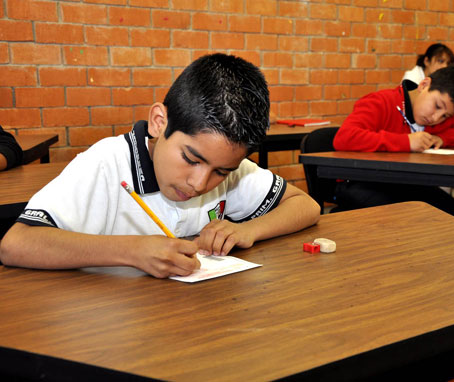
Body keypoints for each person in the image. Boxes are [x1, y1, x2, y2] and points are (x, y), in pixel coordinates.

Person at [0, 53, 320, 278]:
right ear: (158, 122)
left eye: (221, 172)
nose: (200, 182)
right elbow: (16, 245)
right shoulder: (104, 164)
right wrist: (133, 251)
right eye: (190, 159)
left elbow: (305, 205)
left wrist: (248, 229)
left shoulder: (227, 168)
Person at [333, 64, 454, 221]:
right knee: (414, 220)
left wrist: (444, 139)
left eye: (445, 116)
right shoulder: (381, 101)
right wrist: (406, 142)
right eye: (437, 106)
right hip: (363, 182)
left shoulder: (442, 115)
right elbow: (344, 137)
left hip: (409, 184)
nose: (436, 118)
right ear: (424, 85)